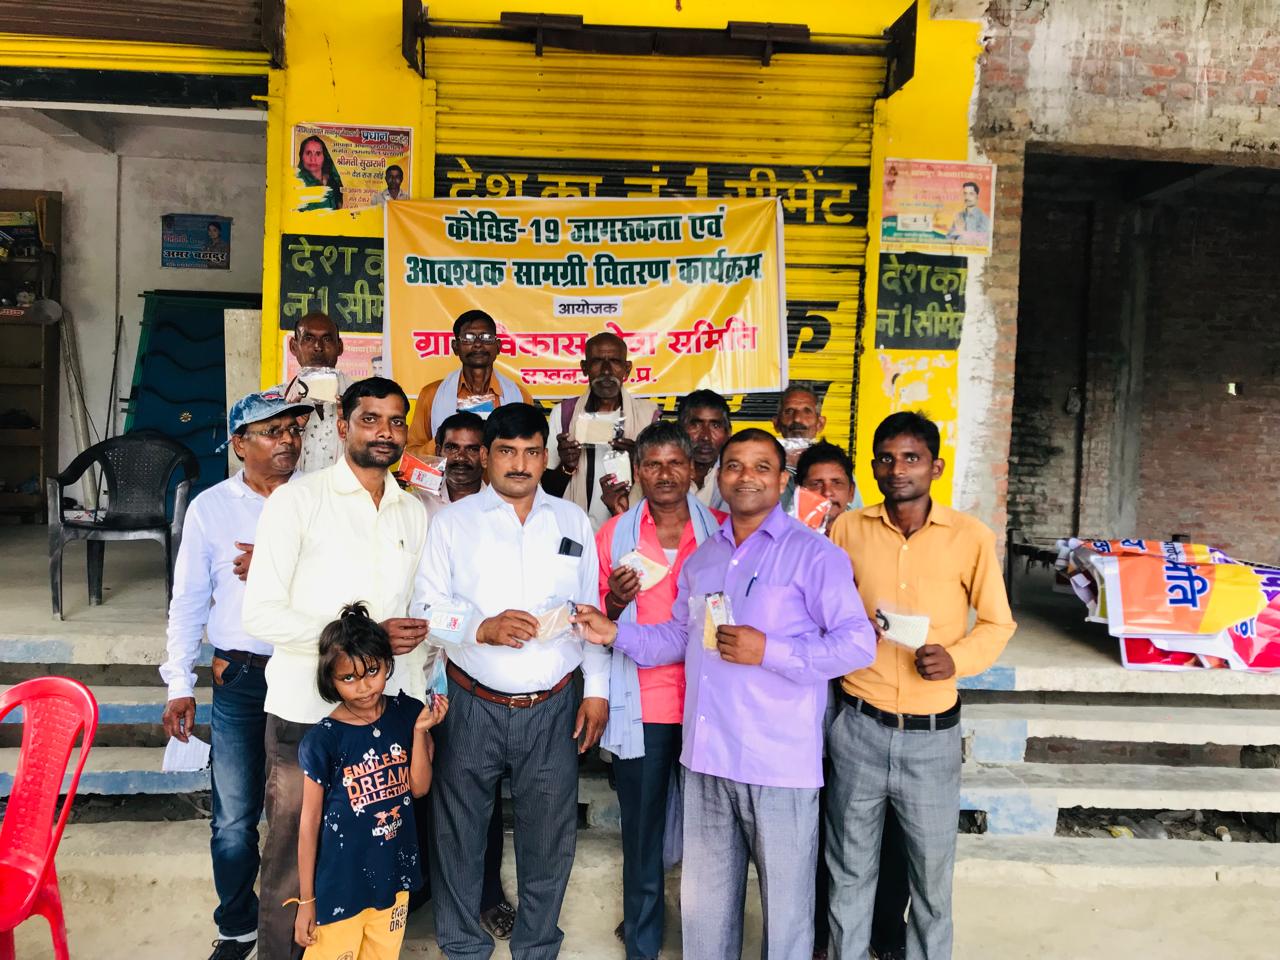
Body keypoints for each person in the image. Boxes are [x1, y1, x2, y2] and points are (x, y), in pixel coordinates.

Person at [573, 429, 877, 960]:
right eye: (734, 466)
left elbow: (857, 644)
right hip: (708, 758)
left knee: (785, 913)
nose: (746, 477)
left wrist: (770, 650)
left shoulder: (814, 555)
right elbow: (679, 638)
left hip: (777, 762)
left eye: (762, 467)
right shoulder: (705, 558)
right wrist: (614, 631)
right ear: (717, 475)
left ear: (781, 480)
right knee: (706, 911)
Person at [243, 377, 431, 960]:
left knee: (369, 854)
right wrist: (364, 641)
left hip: (383, 723)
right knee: (290, 859)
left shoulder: (412, 512)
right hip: (306, 713)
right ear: (343, 426)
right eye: (370, 419)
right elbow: (261, 613)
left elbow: (409, 619)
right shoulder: (297, 501)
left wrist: (413, 706)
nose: (385, 432)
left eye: (395, 421)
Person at [415, 403, 609, 960]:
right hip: (471, 702)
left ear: (546, 457)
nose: (519, 464)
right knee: (459, 834)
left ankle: (537, 947)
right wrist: (481, 627)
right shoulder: (453, 522)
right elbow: (424, 609)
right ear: (486, 456)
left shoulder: (572, 520)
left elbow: (590, 611)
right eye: (506, 451)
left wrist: (596, 690)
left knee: (548, 836)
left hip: (553, 705)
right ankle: (462, 948)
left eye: (531, 452)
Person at [826, 412, 1016, 960]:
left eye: (911, 458)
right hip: (859, 725)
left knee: (931, 881)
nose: (898, 469)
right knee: (849, 872)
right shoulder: (848, 530)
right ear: (873, 467)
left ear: (936, 466)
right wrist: (849, 631)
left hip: (932, 739)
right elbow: (826, 609)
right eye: (886, 458)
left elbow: (998, 623)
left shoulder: (970, 537)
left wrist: (956, 660)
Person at [160, 387, 312, 960]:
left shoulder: (320, 499)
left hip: (307, 671)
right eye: (273, 432)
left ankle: (299, 923)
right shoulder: (211, 508)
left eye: (294, 431)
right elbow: (188, 600)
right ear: (239, 444)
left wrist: (276, 565)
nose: (288, 441)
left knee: (302, 811)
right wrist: (179, 683)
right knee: (232, 818)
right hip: (240, 676)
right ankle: (237, 927)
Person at [595, 421, 724, 960]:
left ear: (694, 469)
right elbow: (595, 619)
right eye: (653, 464)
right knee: (643, 834)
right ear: (637, 471)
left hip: (710, 705)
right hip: (643, 704)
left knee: (714, 835)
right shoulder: (614, 535)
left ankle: (708, 940)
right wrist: (616, 601)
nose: (665, 474)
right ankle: (643, 945)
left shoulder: (723, 532)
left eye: (676, 463)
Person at [406, 408, 520, 940]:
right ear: (438, 450)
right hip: (413, 665)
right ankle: (420, 885)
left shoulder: (505, 512)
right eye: (452, 447)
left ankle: (487, 892)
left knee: (476, 788)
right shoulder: (414, 504)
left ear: (489, 455)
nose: (463, 457)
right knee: (414, 779)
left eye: (475, 448)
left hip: (470, 671)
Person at [294, 604, 449, 959]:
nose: (364, 687)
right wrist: (306, 900)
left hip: (392, 880)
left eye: (372, 672)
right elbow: (309, 822)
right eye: (348, 678)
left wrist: (420, 733)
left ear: (387, 664)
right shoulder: (323, 740)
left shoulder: (407, 714)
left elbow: (419, 788)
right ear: (330, 680)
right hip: (339, 888)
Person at [542, 332, 659, 530]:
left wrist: (638, 461)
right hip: (575, 531)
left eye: (614, 361)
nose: (606, 371)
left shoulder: (648, 416)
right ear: (584, 368)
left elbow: (662, 488)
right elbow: (546, 491)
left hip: (631, 531)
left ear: (627, 368)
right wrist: (566, 466)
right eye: (597, 361)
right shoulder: (564, 414)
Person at [405, 309, 534, 459]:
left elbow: (531, 450)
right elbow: (411, 455)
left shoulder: (520, 396)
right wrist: (441, 439)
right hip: (449, 474)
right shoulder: (431, 394)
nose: (478, 344)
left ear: (498, 346)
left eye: (486, 337)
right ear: (455, 347)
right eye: (468, 338)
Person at [286, 311, 350, 474]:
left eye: (327, 339)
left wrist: (354, 423)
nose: (318, 347)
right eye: (308, 338)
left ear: (340, 347)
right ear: (293, 346)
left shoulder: (361, 399)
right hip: (294, 489)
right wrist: (288, 427)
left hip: (345, 490)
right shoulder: (275, 401)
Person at [677, 389, 731, 511]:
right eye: (695, 425)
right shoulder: (663, 474)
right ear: (679, 430)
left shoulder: (737, 478)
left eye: (715, 426)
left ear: (728, 433)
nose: (705, 437)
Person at [795, 440, 862, 519]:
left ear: (851, 492)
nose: (827, 493)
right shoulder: (786, 527)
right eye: (816, 484)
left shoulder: (865, 527)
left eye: (837, 483)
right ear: (798, 492)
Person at [296, 134, 343, 211]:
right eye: (308, 153)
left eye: (318, 154)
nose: (313, 159)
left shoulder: (334, 180)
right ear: (301, 156)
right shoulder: (297, 185)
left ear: (324, 156)